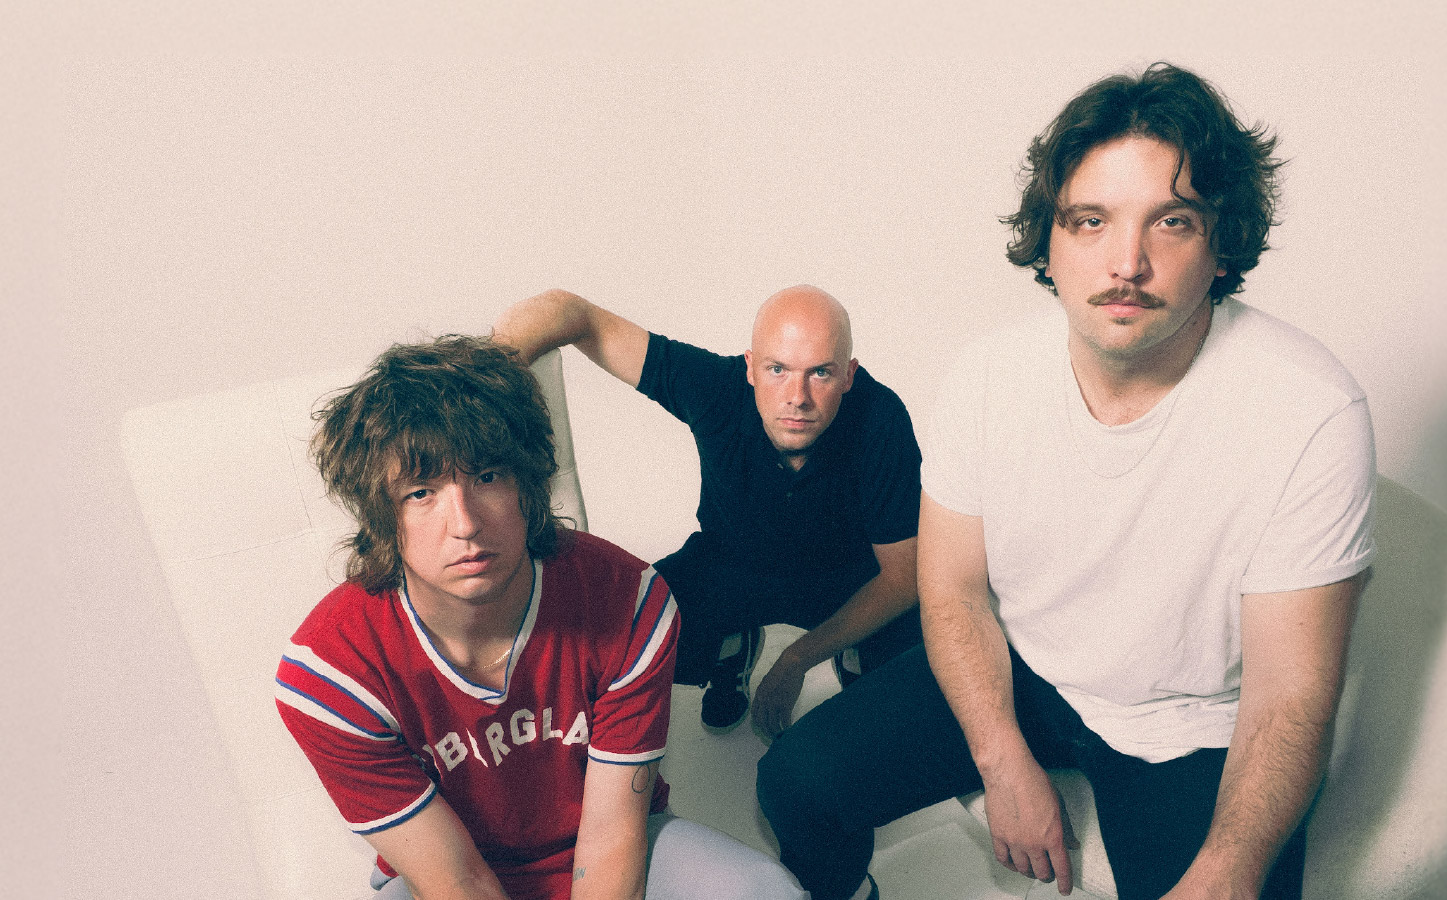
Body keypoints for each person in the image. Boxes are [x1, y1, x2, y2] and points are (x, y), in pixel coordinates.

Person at [757, 62, 1375, 900]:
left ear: (1220, 242)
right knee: (796, 783)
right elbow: (953, 589)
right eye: (1091, 221)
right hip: (1029, 664)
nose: (1127, 262)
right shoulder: (987, 379)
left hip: (1192, 726)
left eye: (1172, 222)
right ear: (1048, 240)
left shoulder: (1308, 411)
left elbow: (1289, 694)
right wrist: (1000, 757)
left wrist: (1227, 872)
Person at [274, 335, 808, 900]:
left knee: (765, 892)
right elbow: (457, 880)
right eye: (421, 492)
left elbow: (611, 838)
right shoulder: (330, 677)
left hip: (607, 845)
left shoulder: (628, 602)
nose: (465, 524)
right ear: (381, 514)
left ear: (528, 485)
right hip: (451, 869)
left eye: (487, 477)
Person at [491, 285, 922, 735]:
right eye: (777, 370)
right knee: (620, 633)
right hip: (732, 568)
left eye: (821, 373)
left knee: (917, 665)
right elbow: (574, 314)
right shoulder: (717, 387)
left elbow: (902, 576)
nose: (797, 397)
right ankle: (730, 647)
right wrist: (483, 380)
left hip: (845, 581)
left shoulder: (880, 417)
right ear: (750, 367)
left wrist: (797, 659)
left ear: (849, 375)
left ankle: (853, 653)